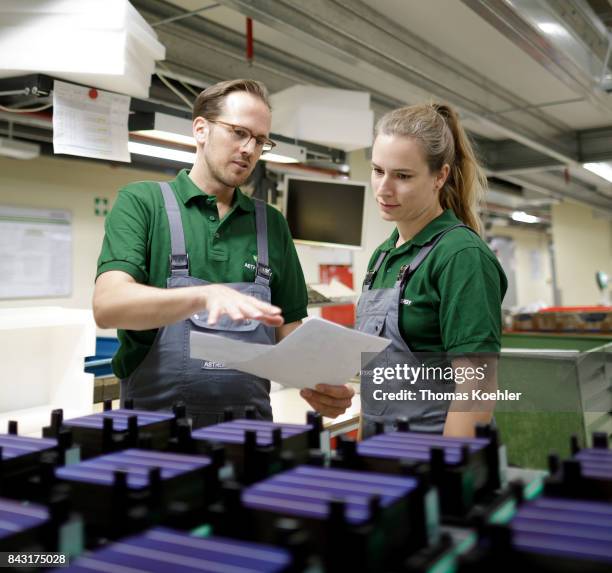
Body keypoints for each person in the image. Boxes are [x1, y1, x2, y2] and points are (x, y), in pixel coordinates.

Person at [93, 78, 354, 428]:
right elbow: (109, 306)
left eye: (260, 140)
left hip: (251, 433)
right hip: (154, 435)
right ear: (201, 130)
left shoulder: (271, 224)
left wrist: (316, 382)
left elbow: (288, 328)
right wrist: (202, 296)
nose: (249, 148)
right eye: (238, 132)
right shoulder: (143, 203)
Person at [357, 102, 507, 438]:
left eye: (403, 176)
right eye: (378, 170)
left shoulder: (461, 256)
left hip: (434, 457)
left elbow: (477, 386)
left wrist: (448, 474)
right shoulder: (383, 256)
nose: (383, 188)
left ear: (440, 175)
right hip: (380, 453)